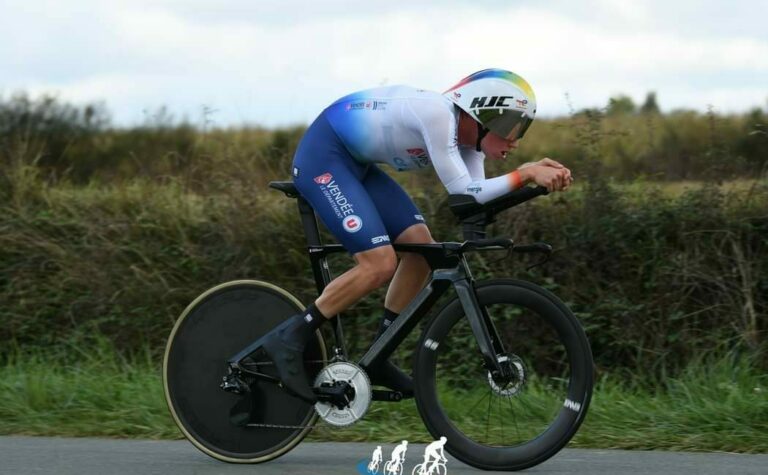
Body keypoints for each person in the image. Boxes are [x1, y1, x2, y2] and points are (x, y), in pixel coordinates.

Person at [259, 68, 573, 403]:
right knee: (379, 264)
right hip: (324, 156)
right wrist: (527, 174)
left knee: (422, 252)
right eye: (511, 126)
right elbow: (466, 192)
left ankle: (379, 355)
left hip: (356, 165)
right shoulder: (439, 115)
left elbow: (474, 202)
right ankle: (290, 337)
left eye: (521, 129)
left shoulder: (470, 144)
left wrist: (531, 182)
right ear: (482, 116)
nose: (515, 139)